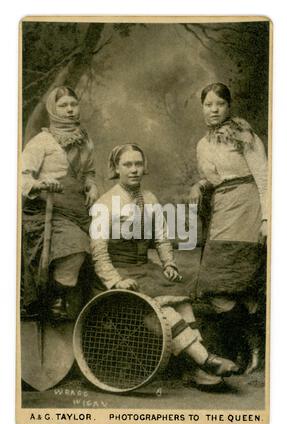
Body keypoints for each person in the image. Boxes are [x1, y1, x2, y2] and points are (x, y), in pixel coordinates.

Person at [89, 143, 238, 390]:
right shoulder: (105, 203)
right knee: (164, 311)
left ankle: (197, 367)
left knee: (183, 300)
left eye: (138, 164)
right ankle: (205, 360)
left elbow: (161, 237)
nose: (134, 170)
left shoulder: (149, 199)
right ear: (116, 168)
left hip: (144, 268)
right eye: (127, 164)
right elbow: (99, 252)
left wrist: (168, 263)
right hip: (118, 274)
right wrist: (116, 281)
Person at [189, 82, 268, 372]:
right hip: (221, 211)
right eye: (208, 105)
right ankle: (247, 340)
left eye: (219, 104)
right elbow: (214, 178)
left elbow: (264, 178)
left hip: (247, 207)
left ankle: (249, 347)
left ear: (229, 106)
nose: (214, 110)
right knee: (214, 286)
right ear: (202, 108)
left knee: (236, 283)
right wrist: (201, 185)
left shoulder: (244, 136)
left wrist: (267, 219)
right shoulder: (203, 144)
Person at [22, 86, 99, 320]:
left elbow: (89, 173)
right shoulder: (42, 141)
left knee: (101, 248)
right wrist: (42, 182)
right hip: (49, 210)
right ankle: (53, 298)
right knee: (76, 247)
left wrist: (91, 185)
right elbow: (20, 176)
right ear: (52, 110)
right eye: (63, 106)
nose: (69, 110)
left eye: (73, 105)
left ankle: (92, 311)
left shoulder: (85, 141)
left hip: (79, 209)